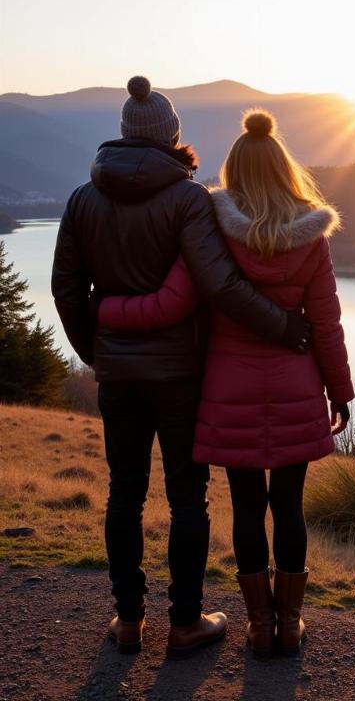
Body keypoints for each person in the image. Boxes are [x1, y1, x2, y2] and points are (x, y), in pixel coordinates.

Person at [51, 77, 312, 658]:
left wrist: (96, 352)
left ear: (122, 134)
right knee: (186, 499)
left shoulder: (81, 199)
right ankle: (186, 623)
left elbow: (65, 287)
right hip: (178, 375)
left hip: (118, 374)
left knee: (124, 493)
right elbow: (219, 284)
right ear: (172, 135)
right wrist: (286, 328)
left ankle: (127, 620)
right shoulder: (189, 198)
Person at [97, 108, 354, 659]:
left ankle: (259, 626)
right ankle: (289, 623)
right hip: (296, 387)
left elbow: (178, 298)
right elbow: (326, 324)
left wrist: (109, 312)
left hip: (227, 390)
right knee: (289, 505)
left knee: (244, 506)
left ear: (234, 169)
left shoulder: (213, 225)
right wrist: (342, 392)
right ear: (286, 170)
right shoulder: (313, 236)